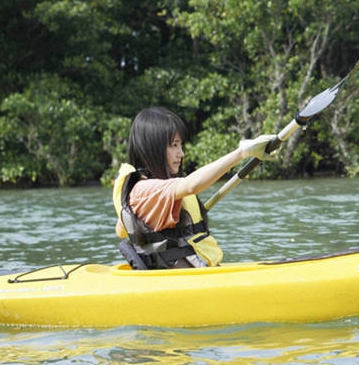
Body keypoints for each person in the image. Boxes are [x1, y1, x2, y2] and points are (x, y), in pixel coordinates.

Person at [113, 107, 279, 270]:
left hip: (195, 277)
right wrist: (242, 152)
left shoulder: (148, 192)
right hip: (182, 285)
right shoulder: (143, 191)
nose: (181, 153)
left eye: (180, 145)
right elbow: (191, 185)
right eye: (174, 145)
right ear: (152, 149)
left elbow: (120, 229)